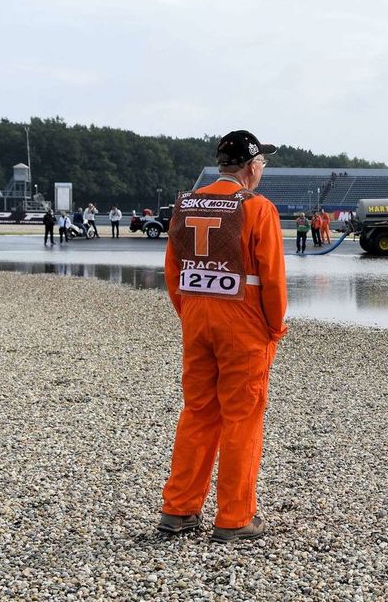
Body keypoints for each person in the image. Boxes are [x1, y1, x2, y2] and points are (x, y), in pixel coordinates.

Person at [158, 130, 286, 543]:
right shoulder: (258, 208)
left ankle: (179, 510)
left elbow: (173, 272)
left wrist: (190, 315)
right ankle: (234, 517)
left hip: (196, 315)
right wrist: (275, 326)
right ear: (251, 167)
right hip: (243, 321)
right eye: (262, 163)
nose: (262, 169)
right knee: (241, 417)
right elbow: (273, 280)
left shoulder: (185, 203)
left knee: (198, 411)